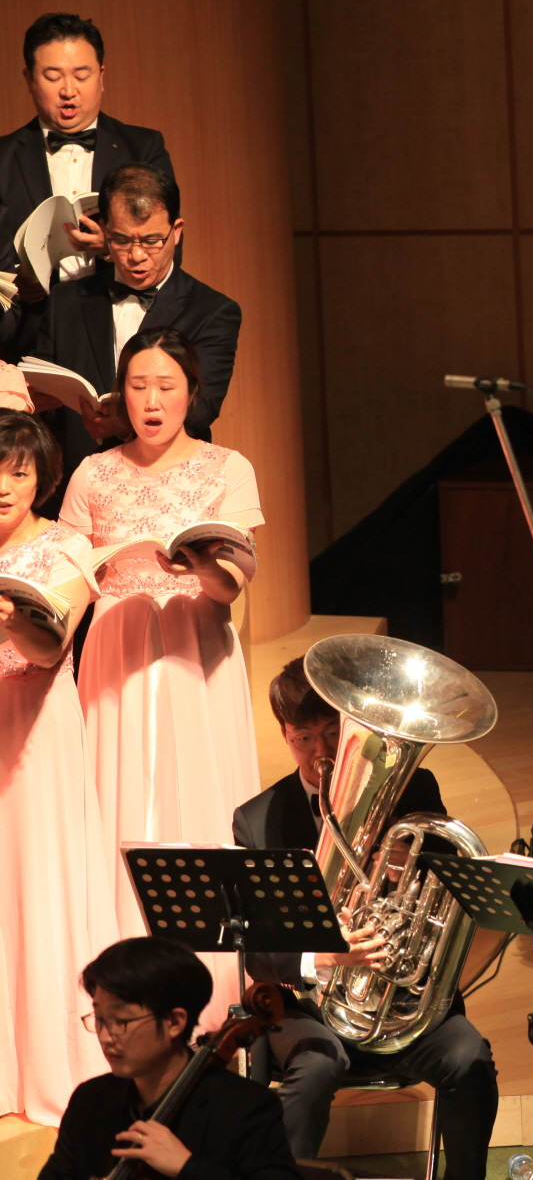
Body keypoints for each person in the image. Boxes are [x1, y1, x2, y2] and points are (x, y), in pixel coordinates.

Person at [230, 657, 499, 1174]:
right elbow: (258, 952)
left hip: (401, 1000)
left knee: (470, 1058)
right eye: (303, 738)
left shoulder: (414, 790)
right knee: (313, 1072)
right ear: (284, 736)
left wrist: (403, 873)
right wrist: (326, 956)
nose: (322, 752)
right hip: (308, 1010)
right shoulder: (258, 819)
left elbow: (455, 895)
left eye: (333, 734)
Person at [62, 328, 262, 955]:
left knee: (203, 789)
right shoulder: (92, 472)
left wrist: (200, 567)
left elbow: (230, 586)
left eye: (166, 386)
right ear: (120, 394)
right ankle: (121, 951)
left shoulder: (228, 467)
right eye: (138, 386)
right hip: (115, 648)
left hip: (195, 646)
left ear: (191, 392)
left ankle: (212, 955)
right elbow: (69, 576)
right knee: (115, 793)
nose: (151, 401)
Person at [0, 402, 121, 1124]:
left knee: (38, 885)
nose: (4, 486)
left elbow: (50, 649)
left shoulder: (66, 547)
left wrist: (15, 614)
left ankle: (51, 1066)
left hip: (36, 735)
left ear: (42, 477)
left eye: (19, 473)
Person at [28, 163, 240, 489]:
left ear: (177, 231)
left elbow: (201, 410)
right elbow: (43, 389)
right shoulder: (65, 302)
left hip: (171, 486)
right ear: (104, 230)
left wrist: (123, 423)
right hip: (73, 484)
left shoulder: (211, 310)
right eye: (122, 240)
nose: (136, 255)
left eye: (152, 240)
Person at [38, 937, 298, 1180]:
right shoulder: (91, 1100)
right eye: (99, 1019)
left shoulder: (246, 1108)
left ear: (174, 1022)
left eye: (120, 1021)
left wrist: (187, 1167)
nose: (105, 1036)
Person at [1, 13, 175, 359]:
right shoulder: (3, 159)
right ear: (29, 79)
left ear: (101, 76)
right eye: (53, 76)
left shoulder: (142, 149)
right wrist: (14, 286)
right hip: (28, 341)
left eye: (82, 75)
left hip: (124, 335)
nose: (69, 91)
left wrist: (112, 247)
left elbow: (170, 249)